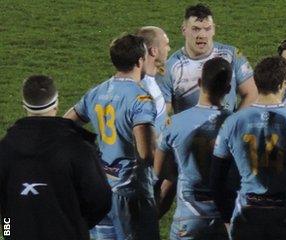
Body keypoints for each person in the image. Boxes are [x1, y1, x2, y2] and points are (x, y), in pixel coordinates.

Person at [64, 34, 160, 240]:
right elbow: (145, 153)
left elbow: (65, 125)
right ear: (140, 61)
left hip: (99, 188)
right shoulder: (140, 98)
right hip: (130, 192)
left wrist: (87, 151)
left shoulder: (97, 91)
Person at [210, 56, 286, 239]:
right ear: (284, 83)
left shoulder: (233, 122)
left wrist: (226, 216)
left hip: (247, 215)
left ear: (256, 82)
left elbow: (217, 177)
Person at [0, 75, 111, 240]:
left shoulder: (4, 148)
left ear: (24, 105)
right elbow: (101, 199)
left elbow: (4, 208)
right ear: (56, 103)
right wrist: (78, 224)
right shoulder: (77, 146)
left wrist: (9, 234)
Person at [155, 58, 232, 239]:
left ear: (199, 83)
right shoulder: (236, 124)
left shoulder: (174, 123)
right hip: (224, 216)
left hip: (188, 217)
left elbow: (159, 172)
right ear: (228, 90)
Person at [161, 3, 257, 114]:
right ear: (184, 30)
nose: (202, 35)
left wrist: (233, 124)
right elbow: (162, 115)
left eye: (207, 29)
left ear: (214, 30)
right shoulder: (170, 68)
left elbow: (252, 92)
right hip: (192, 130)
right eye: (196, 29)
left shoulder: (231, 55)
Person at [136, 26, 171, 135]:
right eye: (166, 44)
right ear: (154, 51)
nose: (169, 49)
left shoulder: (151, 80)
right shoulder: (144, 88)